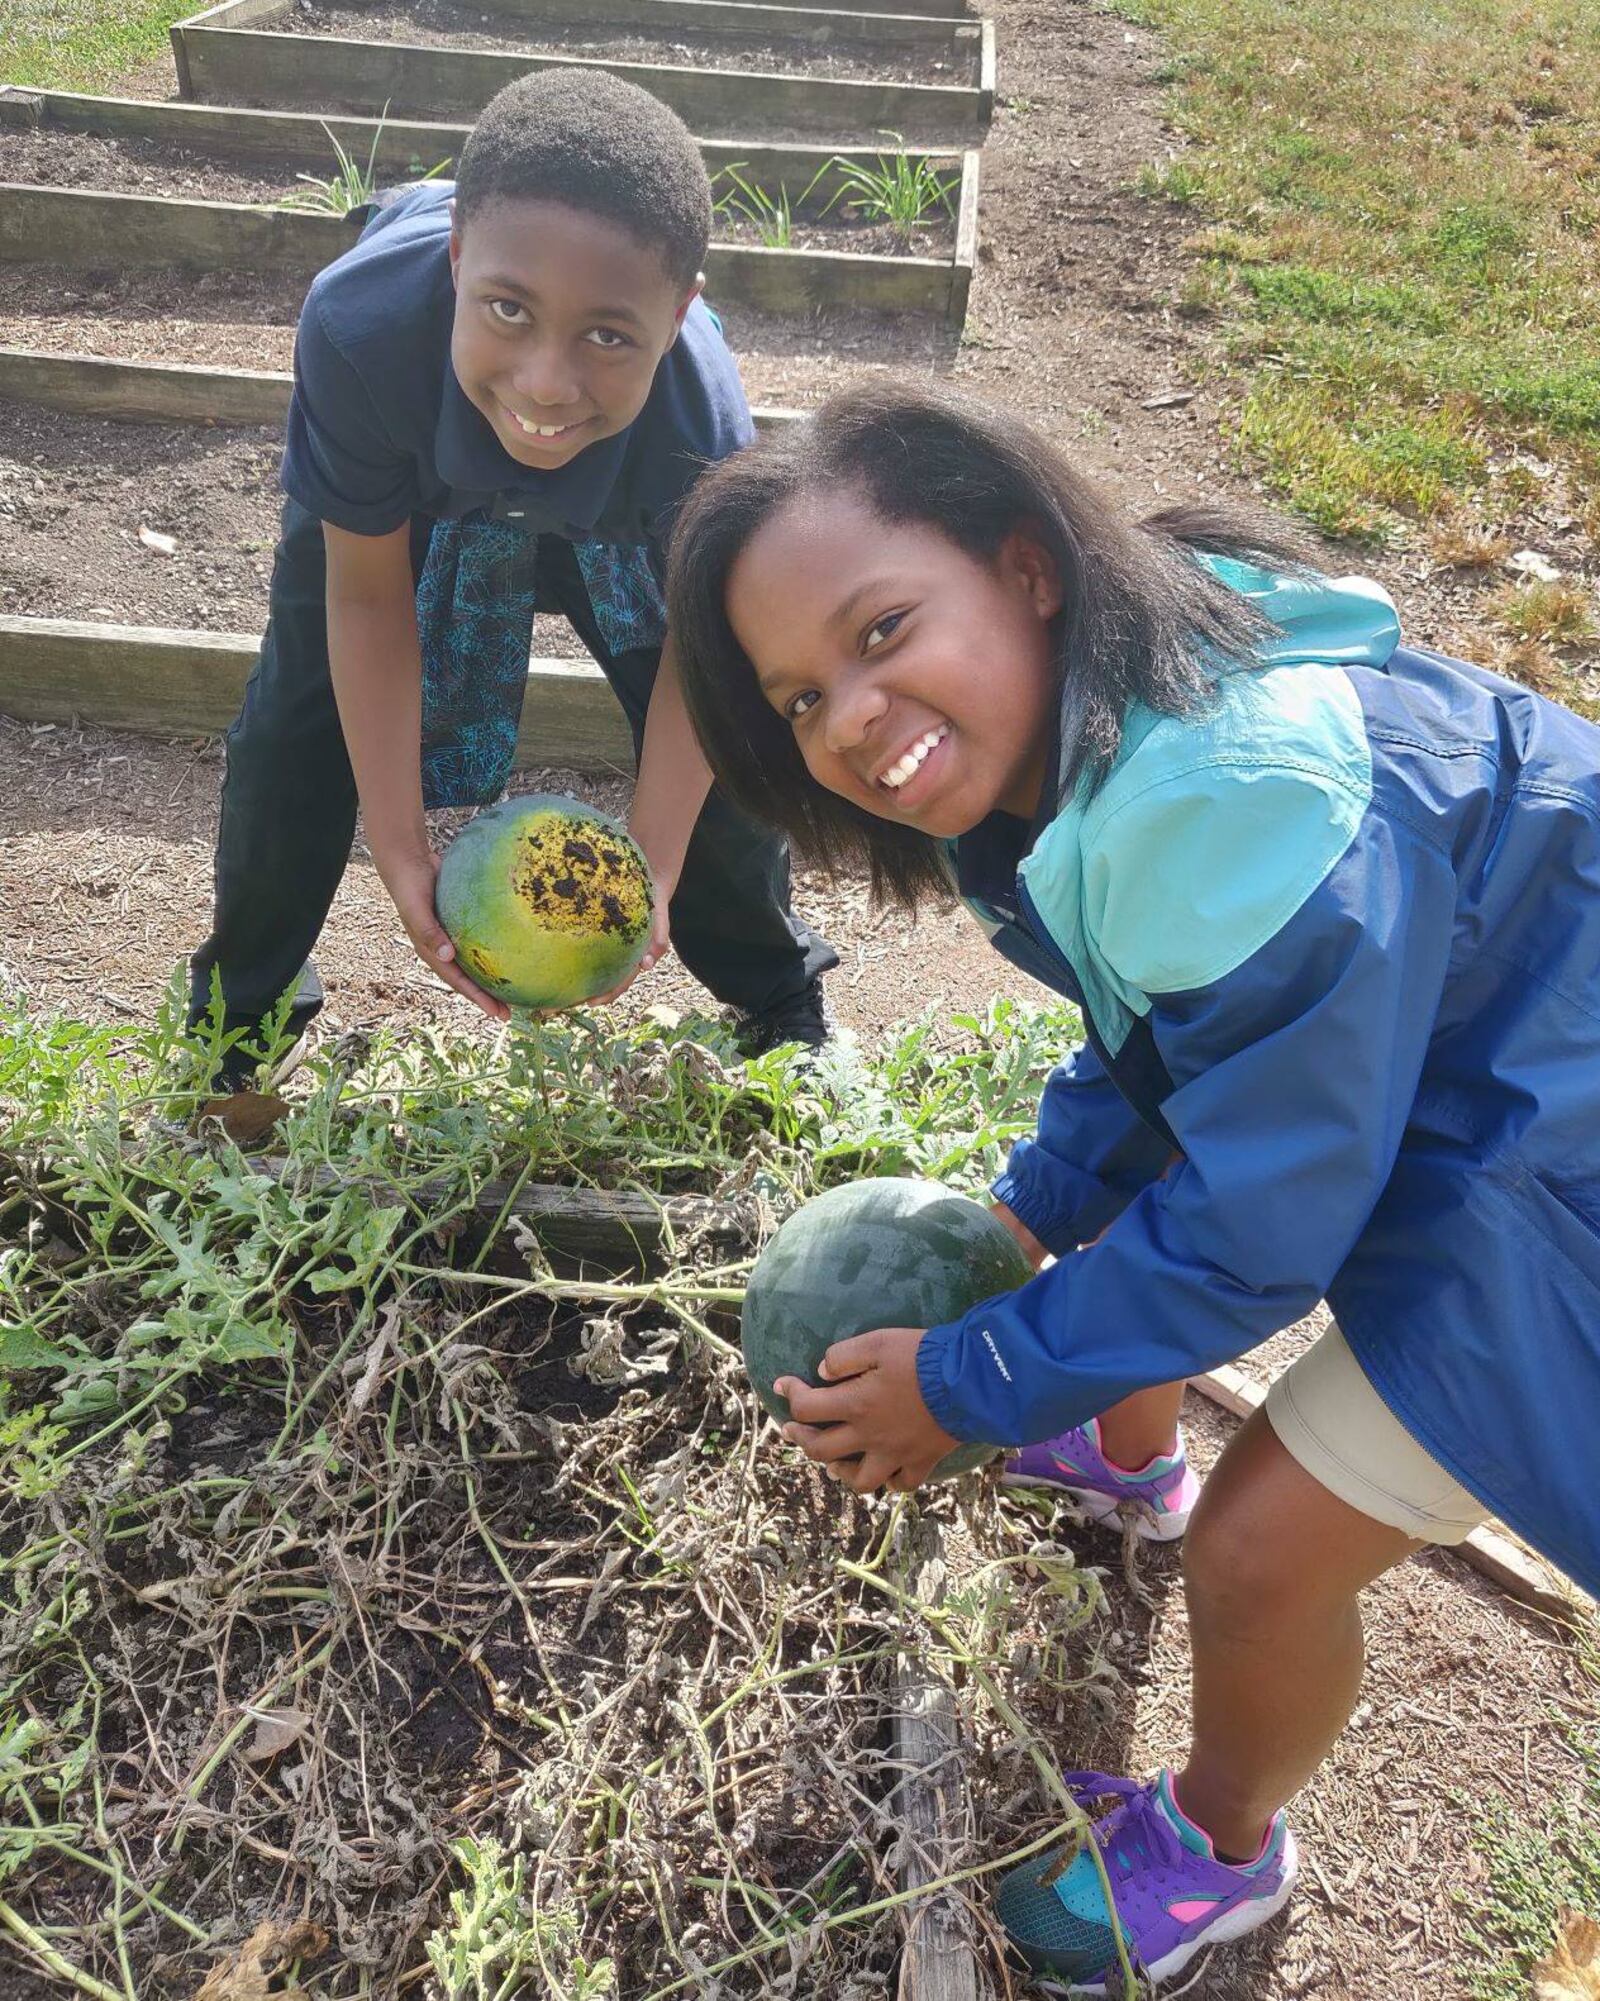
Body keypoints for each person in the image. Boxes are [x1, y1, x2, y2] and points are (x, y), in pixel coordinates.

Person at [665, 382, 1600, 1993]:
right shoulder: (1093, 723)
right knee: (1144, 1234)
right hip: (1484, 1054)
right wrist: (1039, 1207)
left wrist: (970, 1378)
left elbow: (1256, 1220)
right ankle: (1124, 1461)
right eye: (803, 697)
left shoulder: (1220, 800)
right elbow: (1171, 1041)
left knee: (1263, 1553)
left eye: (885, 629)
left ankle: (1222, 1847)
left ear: (1025, 567)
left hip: (1557, 1141)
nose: (854, 719)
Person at [187, 71, 834, 1085]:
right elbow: (365, 598)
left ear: (679, 316)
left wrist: (651, 864)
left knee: (730, 736)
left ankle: (778, 998)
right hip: (414, 470)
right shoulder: (358, 333)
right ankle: (238, 1021)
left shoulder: (699, 438)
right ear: (455, 258)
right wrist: (401, 850)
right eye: (507, 309)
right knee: (293, 728)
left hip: (620, 495)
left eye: (609, 334)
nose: (545, 380)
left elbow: (702, 668)